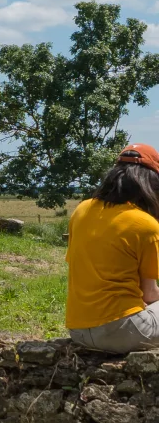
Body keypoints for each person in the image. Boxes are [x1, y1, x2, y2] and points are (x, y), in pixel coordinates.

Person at [66, 143, 159, 353]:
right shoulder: (145, 224)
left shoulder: (82, 209)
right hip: (122, 333)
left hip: (78, 331)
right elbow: (150, 295)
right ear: (151, 183)